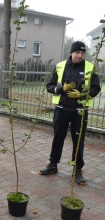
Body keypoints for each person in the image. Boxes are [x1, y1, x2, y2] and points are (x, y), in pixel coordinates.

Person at [39, 41, 101, 186]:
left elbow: (95, 88)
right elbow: (50, 86)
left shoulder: (90, 68)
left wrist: (81, 94)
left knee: (78, 141)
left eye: (82, 53)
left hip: (79, 111)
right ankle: (53, 164)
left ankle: (77, 169)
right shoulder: (60, 66)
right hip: (61, 109)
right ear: (71, 52)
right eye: (77, 52)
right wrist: (61, 89)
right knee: (58, 138)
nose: (79, 56)